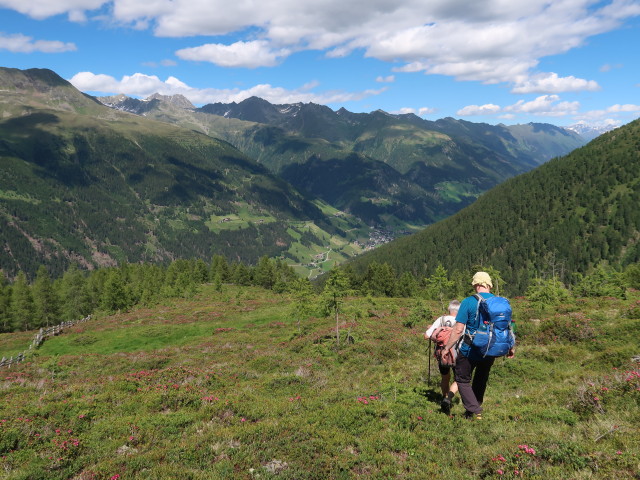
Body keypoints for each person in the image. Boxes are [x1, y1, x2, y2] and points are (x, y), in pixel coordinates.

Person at [441, 272, 515, 420]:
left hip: (470, 349)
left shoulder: (468, 302)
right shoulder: (501, 302)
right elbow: (508, 327)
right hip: (491, 348)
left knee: (462, 379)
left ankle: (474, 410)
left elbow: (458, 329)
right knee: (481, 378)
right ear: (489, 284)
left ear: (476, 284)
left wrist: (447, 347)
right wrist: (511, 346)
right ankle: (472, 413)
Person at [425, 300, 460, 414]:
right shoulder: (461, 321)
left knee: (445, 378)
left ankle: (444, 398)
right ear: (459, 311)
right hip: (457, 354)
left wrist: (436, 330)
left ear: (449, 309)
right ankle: (448, 399)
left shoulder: (441, 320)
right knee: (459, 379)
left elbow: (427, 335)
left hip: (442, 354)